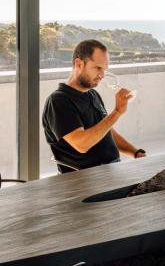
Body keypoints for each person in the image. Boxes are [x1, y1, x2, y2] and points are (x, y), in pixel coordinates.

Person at [42, 39, 146, 172]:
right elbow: (82, 144)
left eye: (104, 69)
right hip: (86, 180)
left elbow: (106, 131)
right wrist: (117, 111)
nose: (102, 75)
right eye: (97, 67)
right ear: (79, 64)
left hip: (112, 171)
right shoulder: (59, 101)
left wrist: (136, 153)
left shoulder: (92, 95)